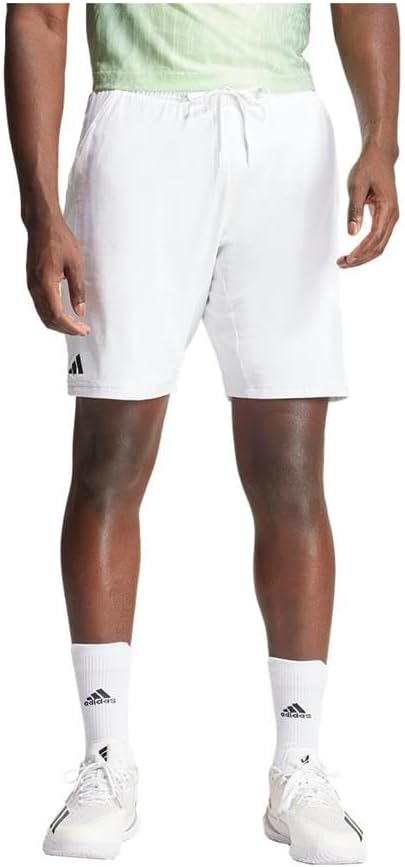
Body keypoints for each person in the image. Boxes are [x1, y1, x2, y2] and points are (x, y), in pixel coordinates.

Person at [5, 3, 399, 863]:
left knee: (291, 471)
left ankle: (299, 768)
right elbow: (36, 16)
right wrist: (41, 211)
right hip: (137, 128)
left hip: (283, 132)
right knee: (109, 459)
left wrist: (381, 138)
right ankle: (105, 761)